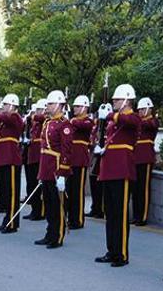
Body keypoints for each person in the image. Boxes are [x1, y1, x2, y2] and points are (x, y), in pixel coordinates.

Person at [94, 84, 140, 267]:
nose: (114, 101)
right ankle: (111, 250)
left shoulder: (132, 117)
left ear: (127, 100)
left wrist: (110, 116)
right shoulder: (114, 121)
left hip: (122, 169)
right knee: (110, 213)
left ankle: (121, 254)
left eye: (117, 99)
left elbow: (131, 122)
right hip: (109, 169)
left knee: (120, 214)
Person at [34, 90, 72, 247]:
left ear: (58, 105)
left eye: (50, 103)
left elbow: (67, 149)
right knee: (49, 203)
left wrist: (62, 172)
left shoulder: (64, 124)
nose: (47, 106)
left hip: (56, 167)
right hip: (46, 167)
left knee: (57, 204)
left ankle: (58, 236)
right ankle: (50, 233)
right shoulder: (47, 122)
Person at [0, 94, 25, 233]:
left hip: (11, 158)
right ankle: (7, 220)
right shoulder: (5, 119)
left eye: (5, 105)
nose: (3, 108)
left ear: (12, 105)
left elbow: (4, 117)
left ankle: (12, 222)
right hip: (3, 157)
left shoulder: (15, 117)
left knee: (12, 193)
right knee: (5, 192)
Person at [67, 95, 94, 230]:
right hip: (71, 158)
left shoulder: (88, 121)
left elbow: (82, 126)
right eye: (74, 106)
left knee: (77, 191)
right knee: (69, 190)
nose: (75, 109)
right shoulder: (73, 121)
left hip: (80, 159)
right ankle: (70, 217)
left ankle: (77, 219)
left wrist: (70, 120)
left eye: (77, 106)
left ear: (84, 107)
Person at [133, 97, 159, 226]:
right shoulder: (138, 121)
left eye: (143, 109)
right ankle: (136, 215)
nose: (141, 111)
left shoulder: (152, 121)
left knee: (143, 188)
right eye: (139, 109)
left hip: (145, 157)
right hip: (135, 157)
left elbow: (150, 125)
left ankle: (142, 217)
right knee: (136, 188)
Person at [22, 100, 47, 221]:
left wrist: (32, 115)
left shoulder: (44, 120)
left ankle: (41, 211)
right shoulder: (35, 124)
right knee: (31, 184)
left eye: (38, 110)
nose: (35, 113)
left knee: (39, 186)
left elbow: (42, 117)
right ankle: (34, 209)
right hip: (32, 156)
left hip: (40, 157)